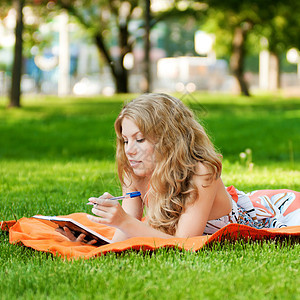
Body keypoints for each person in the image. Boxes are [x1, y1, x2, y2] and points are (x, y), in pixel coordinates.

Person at [60, 93, 300, 243]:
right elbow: (126, 238)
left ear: (168, 138)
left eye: (140, 139)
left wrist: (123, 221)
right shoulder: (135, 171)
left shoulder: (201, 173)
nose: (129, 150)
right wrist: (89, 241)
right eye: (125, 140)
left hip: (260, 218)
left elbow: (185, 243)